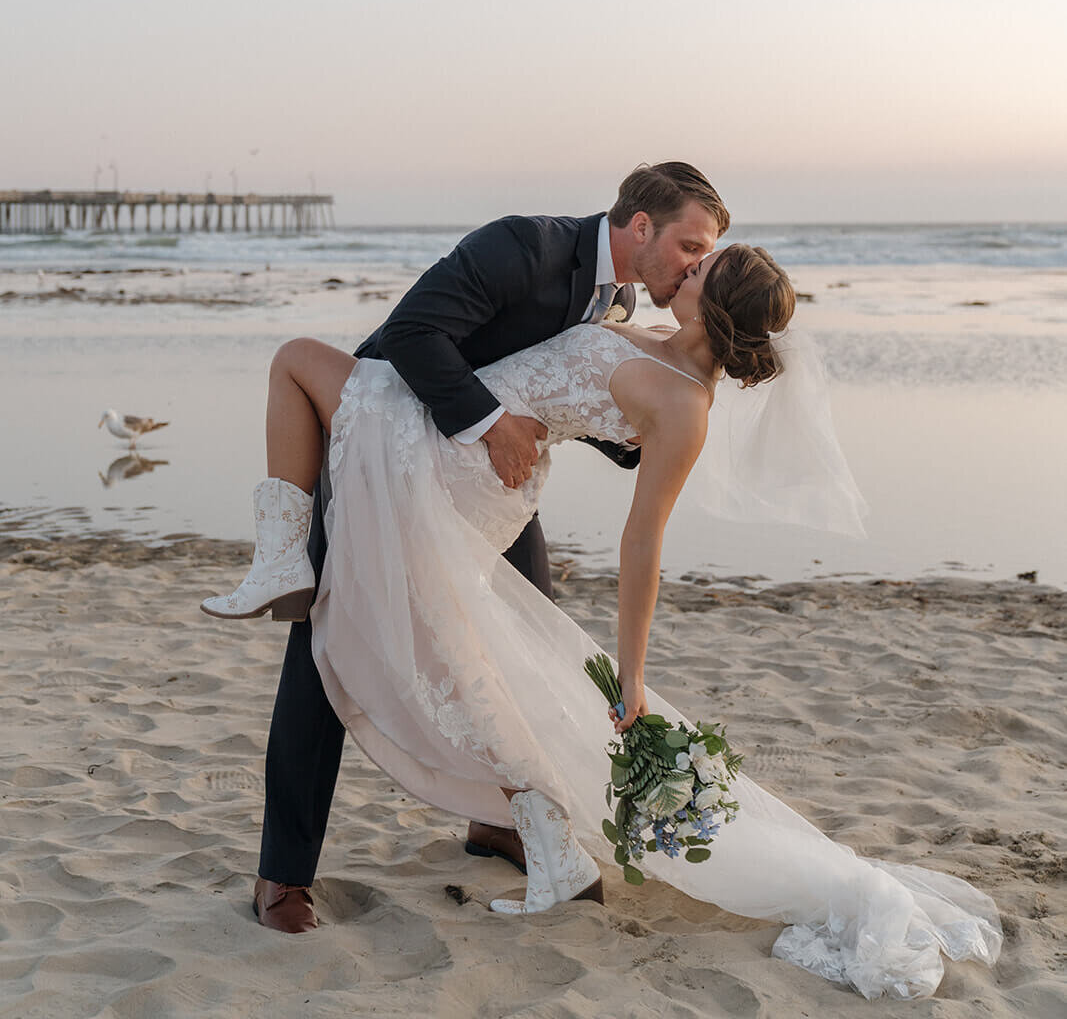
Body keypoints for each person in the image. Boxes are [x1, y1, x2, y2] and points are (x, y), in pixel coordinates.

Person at [204, 242, 1002, 1000]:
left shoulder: (683, 408)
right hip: (484, 464)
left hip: (455, 460)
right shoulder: (651, 337)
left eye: (705, 265)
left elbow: (641, 546)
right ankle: (543, 836)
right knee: (469, 652)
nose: (688, 266)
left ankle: (282, 561)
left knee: (297, 361)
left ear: (712, 301)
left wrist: (630, 676)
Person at [205, 162, 728, 930]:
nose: (692, 263)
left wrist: (677, 398)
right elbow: (412, 334)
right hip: (386, 453)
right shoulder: (524, 247)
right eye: (690, 244)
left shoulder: (617, 298)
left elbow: (587, 399)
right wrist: (492, 422)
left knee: (523, 646)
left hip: (489, 481)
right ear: (640, 225)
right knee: (323, 647)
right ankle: (282, 877)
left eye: (706, 256)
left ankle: (495, 820)